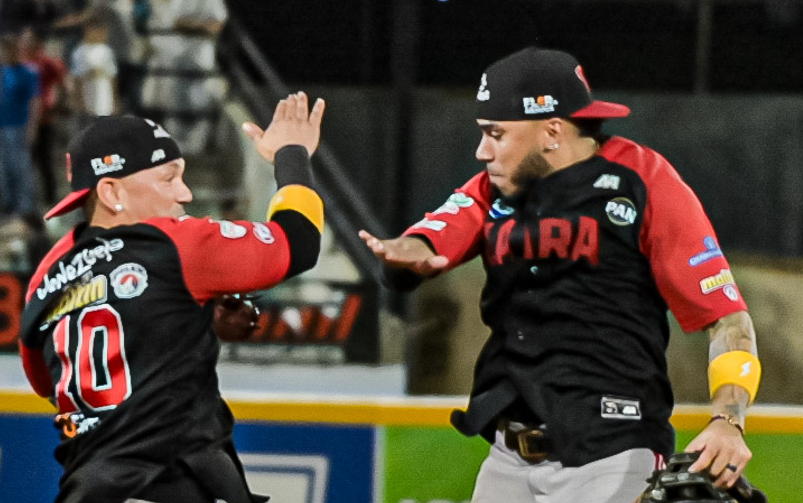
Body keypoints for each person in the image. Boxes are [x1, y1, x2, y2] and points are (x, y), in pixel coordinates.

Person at [360, 47, 761, 503]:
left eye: (496, 133)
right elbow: (435, 236)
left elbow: (728, 320)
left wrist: (728, 422)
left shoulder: (644, 181)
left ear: (552, 131)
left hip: (609, 454)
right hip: (507, 458)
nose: (481, 150)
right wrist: (408, 253)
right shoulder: (495, 187)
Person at [18, 91, 326, 503]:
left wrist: (177, 315)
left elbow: (47, 382)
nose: (185, 194)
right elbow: (299, 242)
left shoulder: (45, 274)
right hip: (172, 482)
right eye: (169, 178)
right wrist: (291, 153)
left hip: (88, 489)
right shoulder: (176, 243)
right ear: (112, 192)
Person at [21, 27, 68, 205]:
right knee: (25, 163)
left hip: (44, 120)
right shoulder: (19, 62)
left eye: (29, 40)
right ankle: (27, 202)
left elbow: (64, 84)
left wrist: (61, 105)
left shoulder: (48, 63)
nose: (25, 44)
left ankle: (50, 199)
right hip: (22, 121)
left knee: (45, 161)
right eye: (23, 41)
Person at [0, 31, 40, 217]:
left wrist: (32, 128)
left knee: (21, 166)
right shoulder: (2, 72)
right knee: (4, 167)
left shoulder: (28, 73)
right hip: (2, 125)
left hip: (19, 125)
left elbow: (34, 101)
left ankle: (25, 206)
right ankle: (8, 203)